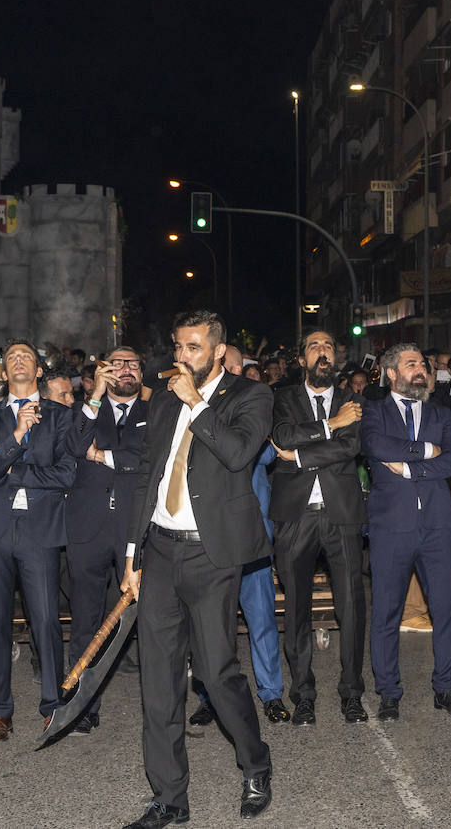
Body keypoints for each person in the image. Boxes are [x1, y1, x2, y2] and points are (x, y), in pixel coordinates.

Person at [121, 309, 272, 825]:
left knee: (215, 670)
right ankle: (169, 797)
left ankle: (255, 761)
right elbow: (147, 475)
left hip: (212, 553)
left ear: (218, 351)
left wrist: (198, 404)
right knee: (159, 679)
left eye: (192, 347)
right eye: (178, 347)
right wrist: (132, 553)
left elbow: (238, 454)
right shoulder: (163, 399)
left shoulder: (252, 396)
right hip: (160, 549)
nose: (181, 357)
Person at [0, 340, 76, 742]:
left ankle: (53, 705)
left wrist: (9, 466)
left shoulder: (62, 416)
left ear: (39, 371)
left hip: (40, 529)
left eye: (25, 357)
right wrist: (17, 436)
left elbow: (66, 474)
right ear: (3, 370)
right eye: (11, 357)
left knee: (45, 619)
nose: (17, 362)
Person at [362, 343, 451, 720]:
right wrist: (427, 450)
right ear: (391, 373)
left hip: (439, 525)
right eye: (411, 365)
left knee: (446, 609)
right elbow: (375, 445)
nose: (421, 369)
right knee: (387, 611)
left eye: (423, 363)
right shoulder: (373, 410)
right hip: (391, 526)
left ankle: (446, 689)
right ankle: (389, 692)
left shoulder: (442, 413)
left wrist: (410, 468)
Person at [269, 329, 368, 725]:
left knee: (351, 606)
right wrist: (330, 424)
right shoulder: (282, 398)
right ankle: (303, 694)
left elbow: (350, 447)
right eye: (314, 347)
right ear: (301, 359)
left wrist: (297, 457)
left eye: (328, 346)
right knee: (296, 609)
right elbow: (281, 435)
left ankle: (351, 693)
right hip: (295, 515)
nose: (322, 352)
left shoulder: (353, 401)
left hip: (340, 512)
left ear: (337, 358)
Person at [189, 344, 288, 726]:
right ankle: (208, 697)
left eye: (241, 367)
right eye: (231, 365)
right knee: (210, 624)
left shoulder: (256, 405)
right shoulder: (192, 407)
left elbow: (258, 455)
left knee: (261, 616)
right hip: (207, 534)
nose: (236, 371)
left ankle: (271, 694)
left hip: (248, 533)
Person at [63, 347, 150, 734]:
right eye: (117, 364)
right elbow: (72, 446)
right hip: (88, 530)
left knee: (149, 621)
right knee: (86, 620)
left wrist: (104, 456)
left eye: (132, 364)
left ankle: (158, 708)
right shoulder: (86, 411)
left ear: (142, 373)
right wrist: (94, 397)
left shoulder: (157, 413)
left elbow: (152, 458)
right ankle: (83, 707)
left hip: (136, 530)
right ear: (104, 372)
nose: (125, 370)